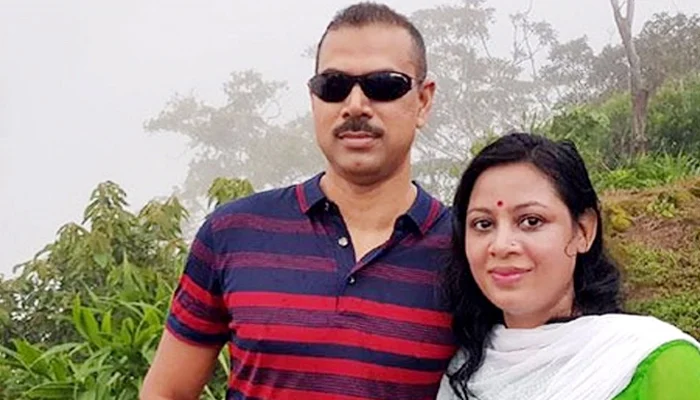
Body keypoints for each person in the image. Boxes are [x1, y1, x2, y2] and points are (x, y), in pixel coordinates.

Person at [141, 3, 457, 399]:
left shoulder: (469, 252)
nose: (355, 105)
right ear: (313, 99)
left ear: (424, 101)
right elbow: (166, 391)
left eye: (383, 85)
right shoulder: (233, 233)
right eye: (333, 86)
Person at [437, 132, 700, 400]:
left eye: (531, 221)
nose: (501, 245)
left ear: (583, 231)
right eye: (483, 224)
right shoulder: (465, 374)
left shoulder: (657, 362)